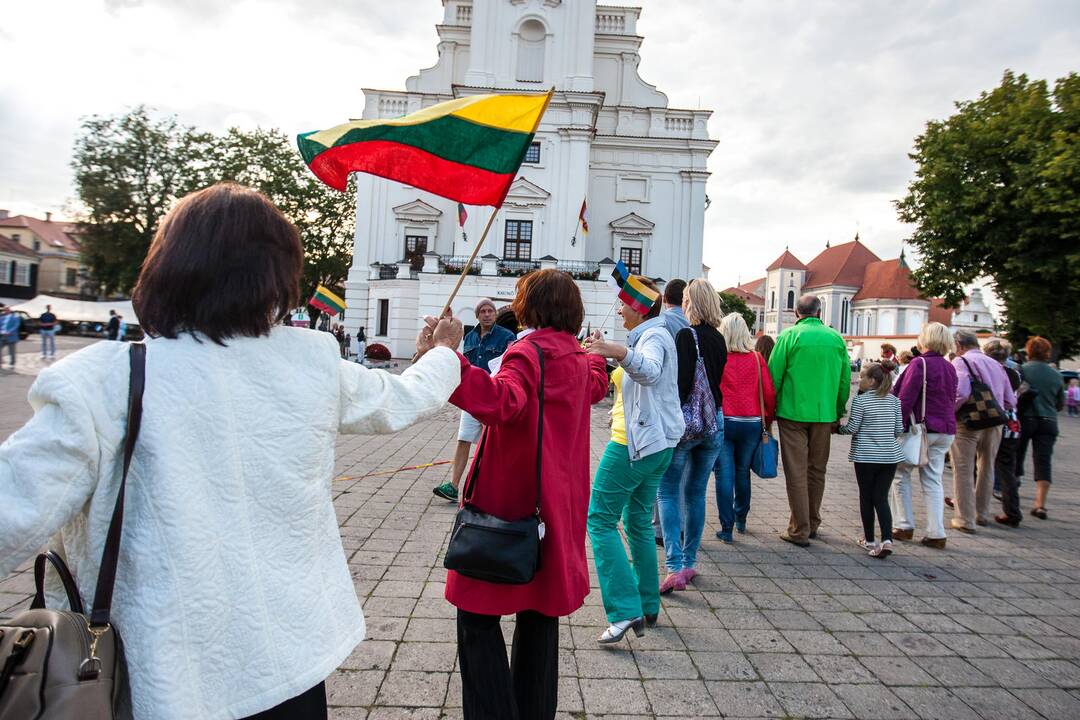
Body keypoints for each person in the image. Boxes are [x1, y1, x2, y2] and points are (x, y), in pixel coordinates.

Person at [0, 183, 465, 720]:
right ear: (275, 277)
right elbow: (399, 399)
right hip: (287, 661)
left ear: (165, 267)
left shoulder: (101, 380)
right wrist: (443, 354)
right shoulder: (306, 366)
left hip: (168, 677)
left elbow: (12, 513)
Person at [443, 269, 608, 720]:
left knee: (475, 617)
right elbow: (597, 379)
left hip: (509, 501)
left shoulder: (526, 354)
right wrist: (595, 352)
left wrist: (447, 356)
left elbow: (500, 402)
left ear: (529, 305)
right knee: (539, 618)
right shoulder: (577, 359)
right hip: (556, 507)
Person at [584, 276, 683, 643]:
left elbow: (651, 370)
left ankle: (625, 611)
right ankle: (647, 604)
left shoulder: (653, 337)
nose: (620, 309)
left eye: (624, 304)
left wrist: (615, 351)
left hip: (634, 444)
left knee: (599, 520)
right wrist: (603, 354)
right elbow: (634, 379)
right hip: (657, 444)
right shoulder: (648, 335)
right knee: (638, 520)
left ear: (638, 307)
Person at [656, 279, 726, 593]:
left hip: (688, 425)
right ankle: (689, 561)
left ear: (690, 303)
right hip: (715, 423)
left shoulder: (687, 335)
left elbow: (682, 385)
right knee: (696, 494)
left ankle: (673, 566)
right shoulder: (720, 338)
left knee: (668, 492)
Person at [768, 294, 850, 547]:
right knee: (817, 470)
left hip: (792, 412)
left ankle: (799, 528)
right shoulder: (835, 338)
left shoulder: (789, 337)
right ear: (819, 312)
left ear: (796, 313)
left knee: (796, 471)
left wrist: (769, 412)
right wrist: (837, 412)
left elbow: (774, 376)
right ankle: (813, 522)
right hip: (824, 413)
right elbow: (845, 381)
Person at [433, 298, 515, 501]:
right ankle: (453, 486)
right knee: (463, 439)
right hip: (472, 396)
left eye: (490, 311)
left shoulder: (507, 336)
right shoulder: (469, 337)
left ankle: (493, 488)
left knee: (493, 444)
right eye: (483, 311)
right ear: (477, 315)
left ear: (495, 314)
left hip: (493, 395)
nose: (487, 314)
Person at [890, 322, 958, 549]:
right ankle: (936, 532)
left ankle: (904, 525)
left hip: (921, 429)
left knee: (901, 473)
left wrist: (895, 426)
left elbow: (905, 398)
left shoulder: (919, 364)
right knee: (933, 479)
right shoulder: (950, 367)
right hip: (945, 430)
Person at [950, 329, 1016, 533]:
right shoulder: (997, 364)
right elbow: (1010, 400)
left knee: (963, 469)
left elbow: (961, 392)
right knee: (987, 467)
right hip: (994, 422)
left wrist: (950, 412)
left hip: (969, 422)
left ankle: (964, 519)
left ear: (959, 345)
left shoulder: (961, 362)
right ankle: (981, 514)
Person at [716, 311, 775, 538]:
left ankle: (726, 527)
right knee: (743, 471)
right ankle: (741, 517)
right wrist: (767, 421)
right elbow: (768, 393)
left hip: (726, 420)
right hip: (751, 422)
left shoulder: (720, 357)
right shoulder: (757, 358)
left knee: (724, 474)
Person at [838, 363, 904, 558]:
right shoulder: (894, 401)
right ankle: (887, 539)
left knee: (866, 496)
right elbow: (899, 429)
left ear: (872, 381)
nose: (860, 380)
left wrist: (838, 428)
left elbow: (852, 428)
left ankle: (869, 539)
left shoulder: (861, 401)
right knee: (881, 497)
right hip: (890, 456)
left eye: (864, 378)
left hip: (866, 456)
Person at [652, 278, 689, 544]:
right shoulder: (693, 324)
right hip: (689, 404)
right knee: (684, 475)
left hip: (664, 401)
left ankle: (660, 528)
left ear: (665, 299)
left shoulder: (660, 324)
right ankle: (681, 526)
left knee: (661, 476)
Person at [1016, 336, 1065, 520]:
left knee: (1017, 456)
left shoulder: (1023, 370)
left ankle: (1011, 497)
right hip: (1048, 420)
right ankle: (1040, 504)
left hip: (1026, 418)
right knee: (1043, 461)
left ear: (1029, 351)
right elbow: (1060, 403)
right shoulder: (1057, 375)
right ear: (1047, 351)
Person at [982, 339, 1023, 527]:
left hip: (990, 419)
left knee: (980, 464)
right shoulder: (1014, 373)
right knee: (1007, 468)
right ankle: (1012, 510)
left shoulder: (987, 370)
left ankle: (973, 503)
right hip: (1012, 422)